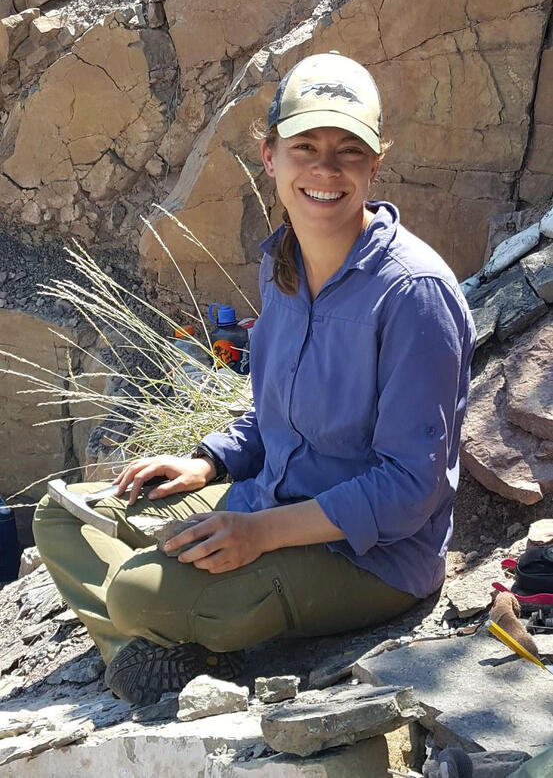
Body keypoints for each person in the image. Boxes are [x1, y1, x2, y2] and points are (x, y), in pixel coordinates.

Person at [33, 52, 476, 706]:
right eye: (305, 146)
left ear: (375, 162)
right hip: (266, 500)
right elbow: (276, 417)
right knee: (63, 515)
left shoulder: (412, 295)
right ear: (269, 156)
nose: (325, 168)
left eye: (348, 149)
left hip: (368, 559)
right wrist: (208, 464)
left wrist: (261, 534)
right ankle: (167, 653)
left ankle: (163, 639)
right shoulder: (283, 265)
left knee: (131, 589)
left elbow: (409, 488)